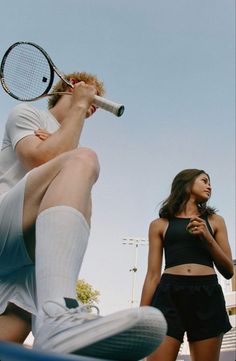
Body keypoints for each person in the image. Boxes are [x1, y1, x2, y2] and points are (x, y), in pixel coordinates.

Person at [0, 72, 167, 360]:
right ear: (70, 88)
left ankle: (56, 320)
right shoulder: (26, 113)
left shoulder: (67, 145)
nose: (92, 103)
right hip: (6, 227)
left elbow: (52, 156)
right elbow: (38, 158)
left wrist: (58, 145)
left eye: (94, 98)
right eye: (87, 92)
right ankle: (60, 312)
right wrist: (76, 109)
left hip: (26, 261)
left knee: (8, 343)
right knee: (84, 160)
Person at [140, 169, 234, 361]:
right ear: (187, 183)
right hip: (169, 295)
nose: (210, 186)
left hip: (207, 294)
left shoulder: (216, 221)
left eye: (210, 182)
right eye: (204, 180)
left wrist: (207, 238)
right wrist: (142, 316)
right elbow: (152, 275)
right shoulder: (160, 224)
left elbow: (228, 271)